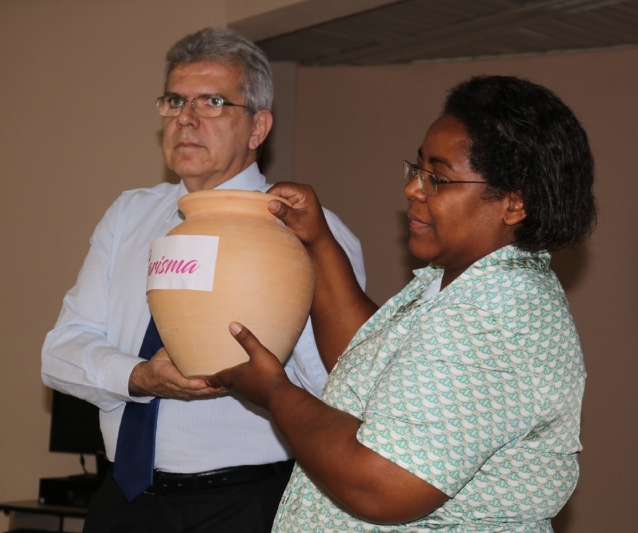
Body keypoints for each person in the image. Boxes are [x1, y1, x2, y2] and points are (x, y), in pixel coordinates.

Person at [209, 75, 596, 532]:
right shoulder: (460, 278)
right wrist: (317, 241)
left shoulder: (500, 312)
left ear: (514, 204)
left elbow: (383, 485)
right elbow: (368, 369)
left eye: (438, 178)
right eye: (417, 168)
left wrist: (275, 391)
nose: (413, 188)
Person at [41, 27, 365, 533]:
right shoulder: (129, 215)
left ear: (258, 127)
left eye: (212, 102)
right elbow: (60, 354)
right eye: (175, 101)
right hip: (122, 501)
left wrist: (287, 280)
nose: (186, 119)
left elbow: (342, 389)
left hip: (244, 505)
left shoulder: (310, 231)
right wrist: (140, 377)